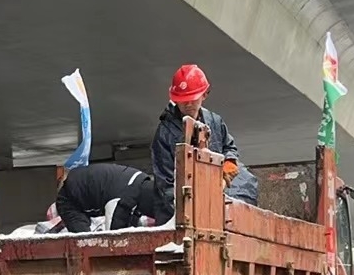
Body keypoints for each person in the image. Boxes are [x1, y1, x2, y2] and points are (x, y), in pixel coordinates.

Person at [150, 64, 240, 218]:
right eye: (183, 100)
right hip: (173, 214)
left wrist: (226, 171)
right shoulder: (165, 132)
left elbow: (229, 149)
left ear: (204, 95)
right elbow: (165, 184)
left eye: (192, 99)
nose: (188, 104)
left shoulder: (215, 122)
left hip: (212, 205)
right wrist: (187, 211)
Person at [55, 163, 167, 232]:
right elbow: (113, 234)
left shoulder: (136, 186)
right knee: (84, 241)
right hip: (69, 199)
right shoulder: (124, 196)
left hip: (82, 189)